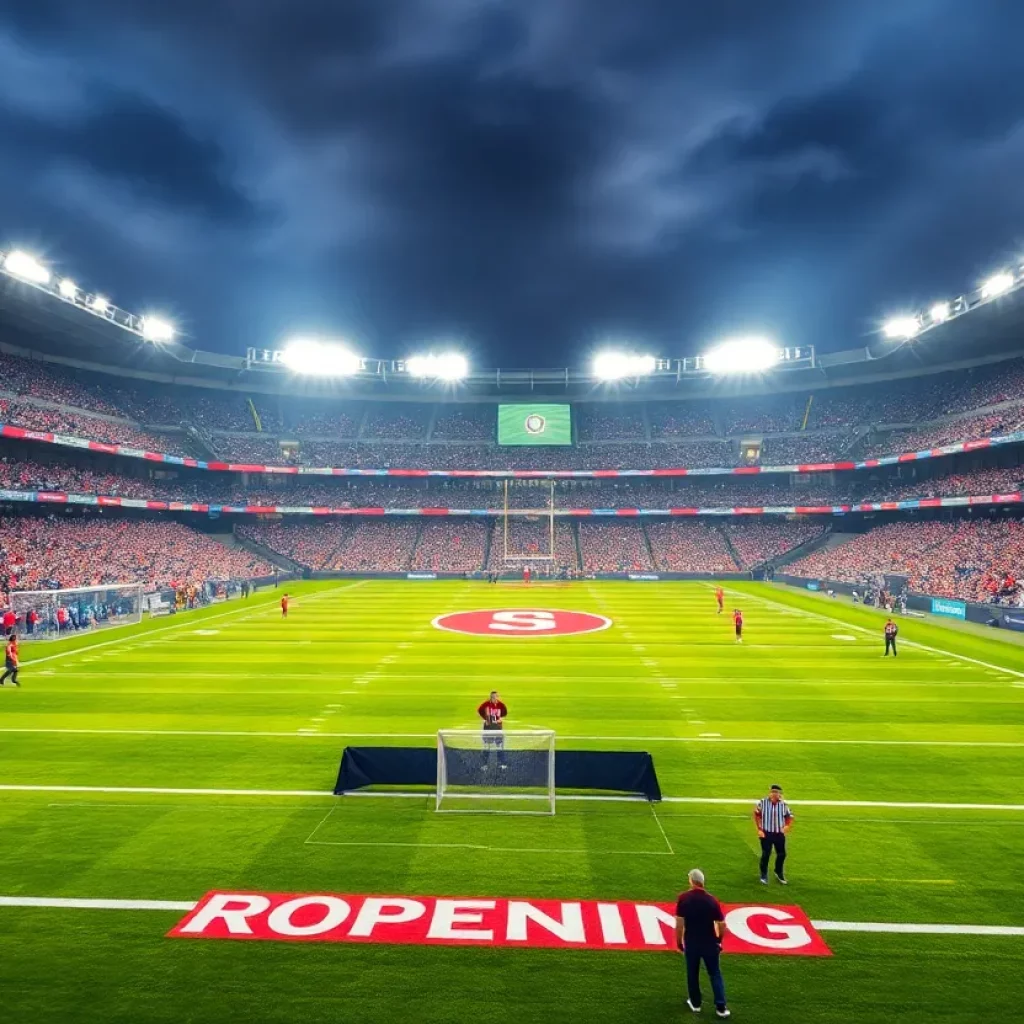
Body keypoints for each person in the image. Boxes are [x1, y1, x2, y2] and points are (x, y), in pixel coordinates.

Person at [674, 868, 730, 1018]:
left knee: (692, 973)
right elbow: (721, 924)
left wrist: (679, 942)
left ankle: (696, 1003)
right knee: (715, 974)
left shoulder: (684, 898)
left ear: (691, 881)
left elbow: (679, 924)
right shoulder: (712, 900)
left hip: (692, 943)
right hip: (710, 943)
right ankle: (721, 1007)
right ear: (702, 882)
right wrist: (719, 940)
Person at [755, 784, 794, 885]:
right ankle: (763, 874)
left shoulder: (784, 804)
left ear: (780, 794)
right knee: (766, 854)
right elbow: (757, 815)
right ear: (770, 793)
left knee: (782, 854)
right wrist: (759, 829)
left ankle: (778, 871)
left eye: (776, 792)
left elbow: (789, 816)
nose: (774, 794)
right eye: (772, 792)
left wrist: (787, 826)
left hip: (778, 834)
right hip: (766, 833)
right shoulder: (763, 802)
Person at [477, 690, 508, 771]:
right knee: (487, 746)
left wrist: (500, 719)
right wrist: (485, 719)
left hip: (498, 727)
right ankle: (484, 765)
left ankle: (502, 764)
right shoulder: (486, 704)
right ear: (490, 697)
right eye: (492, 697)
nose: (494, 698)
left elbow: (505, 714)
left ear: (498, 697)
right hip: (488, 728)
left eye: (495, 697)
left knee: (499, 746)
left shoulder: (501, 705)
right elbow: (479, 710)